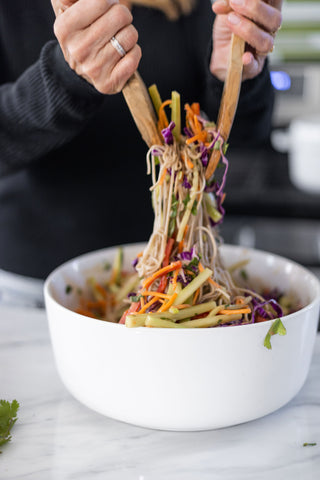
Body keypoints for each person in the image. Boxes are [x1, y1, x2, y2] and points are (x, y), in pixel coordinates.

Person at [0, 0, 282, 281]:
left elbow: (249, 136)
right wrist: (65, 79)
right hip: (29, 283)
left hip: (169, 275)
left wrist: (234, 73)